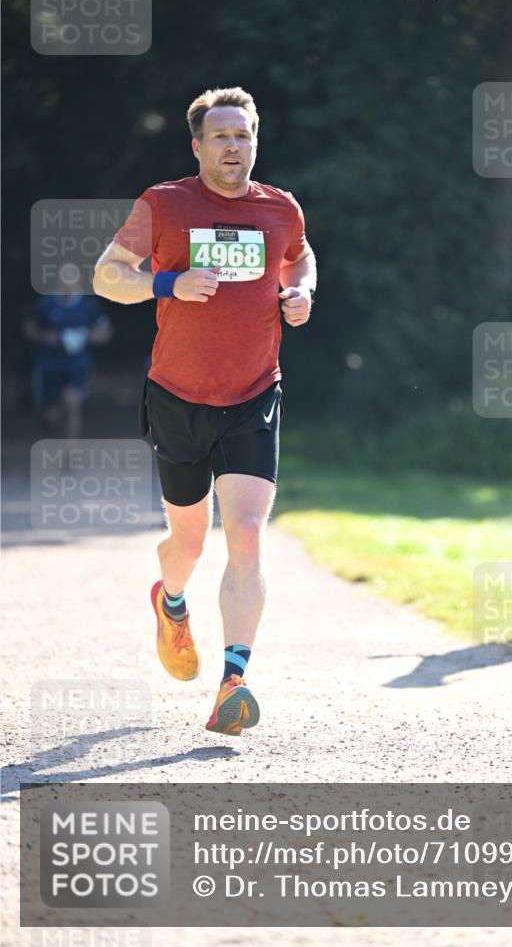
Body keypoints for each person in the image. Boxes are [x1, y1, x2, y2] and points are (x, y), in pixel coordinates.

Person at [93, 87, 316, 734]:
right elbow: (109, 274)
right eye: (220, 136)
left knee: (245, 534)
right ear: (197, 146)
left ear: (255, 142)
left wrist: (299, 291)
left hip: (253, 393)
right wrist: (169, 283)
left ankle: (234, 681)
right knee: (187, 544)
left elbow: (299, 260)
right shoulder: (164, 204)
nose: (233, 146)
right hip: (178, 397)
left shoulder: (280, 209)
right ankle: (171, 601)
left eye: (243, 135)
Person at [23, 282, 112, 440]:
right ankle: (52, 424)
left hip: (77, 365)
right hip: (49, 365)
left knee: (72, 402)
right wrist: (45, 336)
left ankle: (71, 453)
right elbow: (29, 327)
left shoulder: (88, 305)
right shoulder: (46, 303)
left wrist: (91, 336)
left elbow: (105, 331)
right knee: (51, 415)